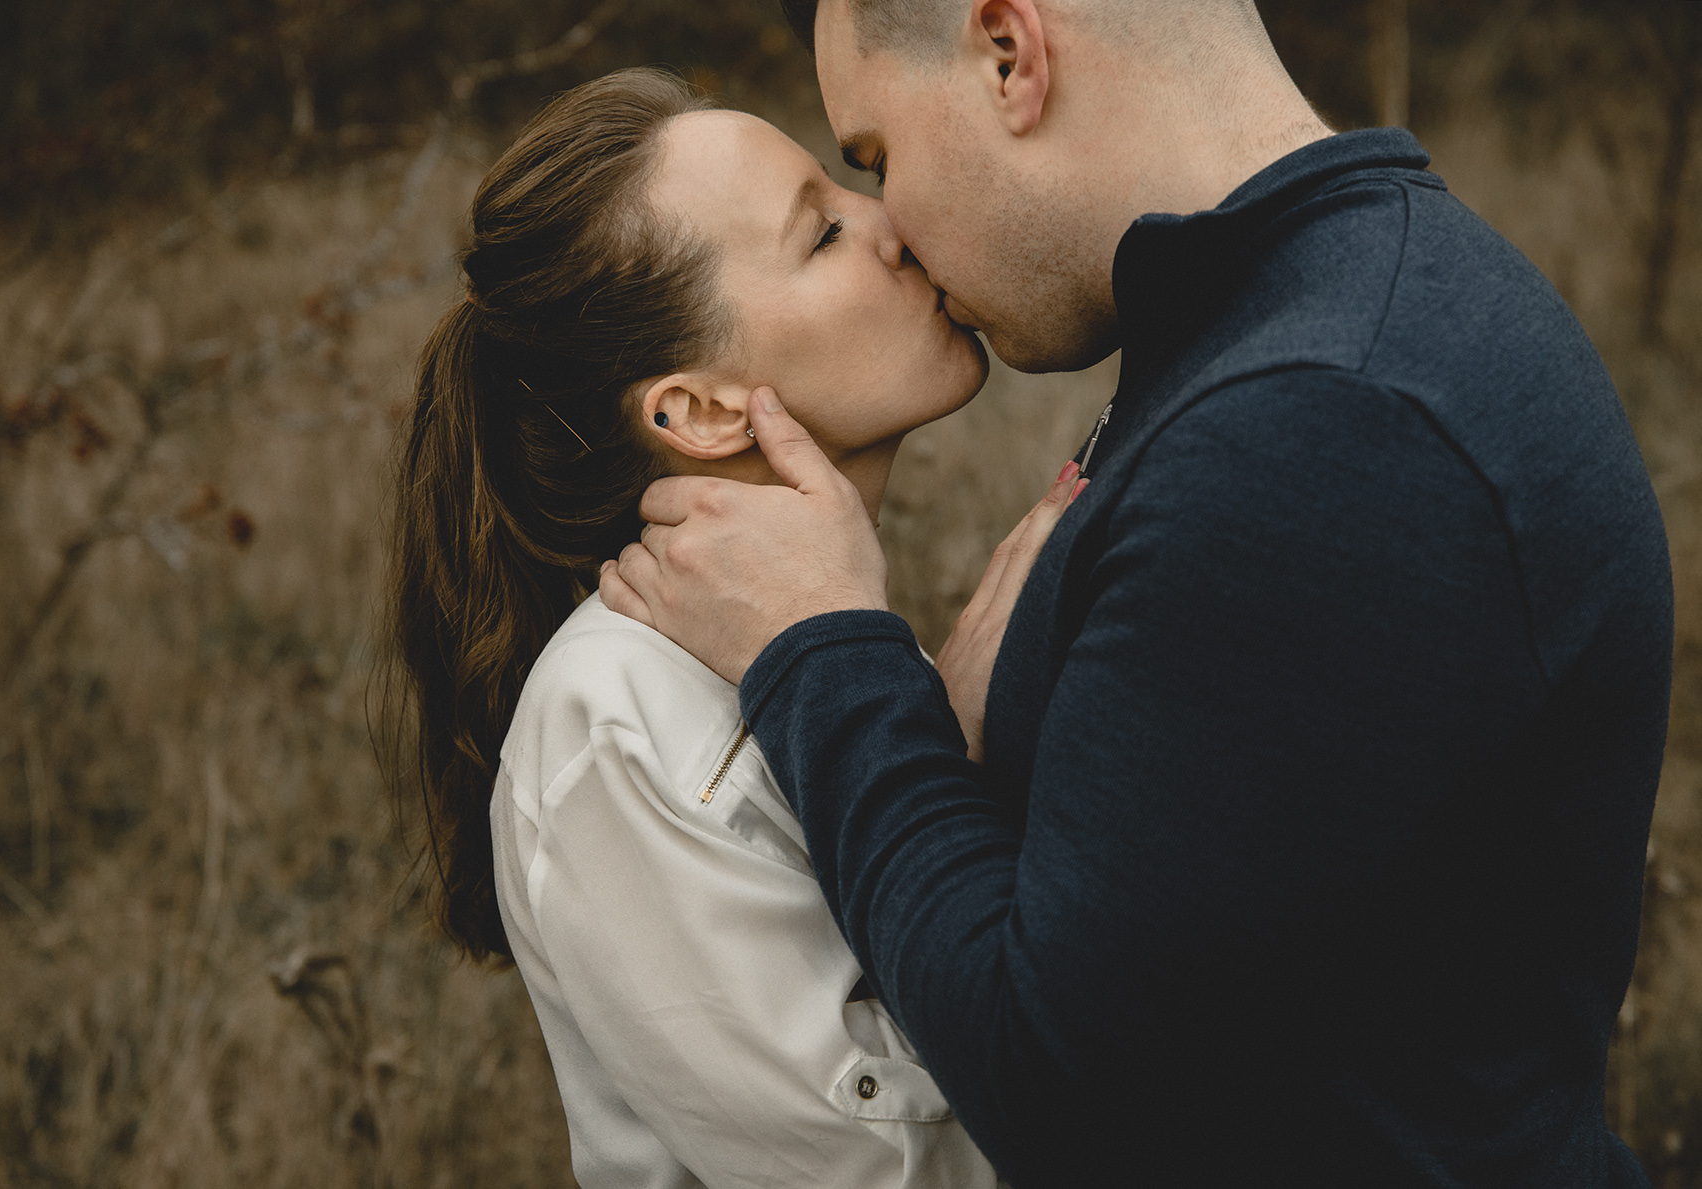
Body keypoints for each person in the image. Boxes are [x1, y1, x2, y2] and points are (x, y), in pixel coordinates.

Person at [599, 1, 1675, 1186]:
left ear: (1008, 56)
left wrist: (827, 652)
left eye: (876, 156)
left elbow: (1070, 1108)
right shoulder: (1301, 312)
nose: (887, 221)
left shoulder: (1324, 419)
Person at [383, 67, 1043, 1187]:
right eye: (821, 232)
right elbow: (881, 1169)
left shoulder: (819, 626)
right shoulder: (612, 713)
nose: (892, 224)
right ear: (698, 409)